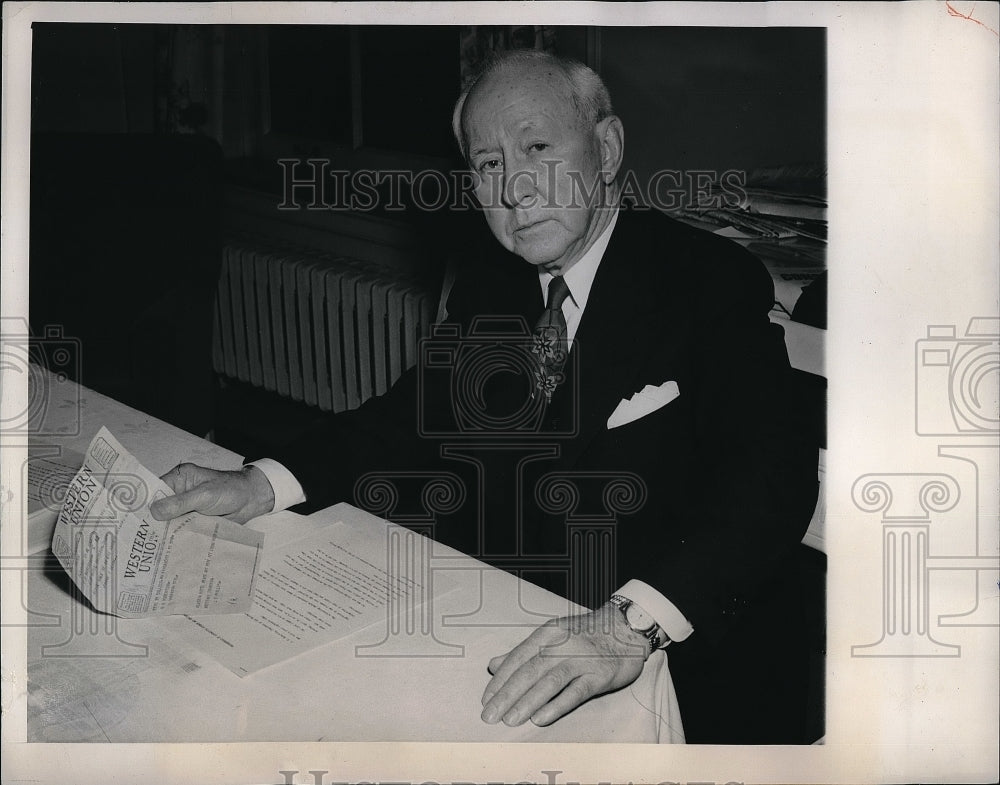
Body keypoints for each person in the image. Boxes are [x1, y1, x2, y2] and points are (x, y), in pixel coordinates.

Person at [151, 49, 819, 743]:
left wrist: (631, 623)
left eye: (537, 147)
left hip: (683, 666)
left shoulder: (710, 280)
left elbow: (770, 479)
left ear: (608, 147)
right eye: (489, 164)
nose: (515, 190)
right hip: (516, 628)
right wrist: (259, 483)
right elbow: (408, 418)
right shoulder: (490, 284)